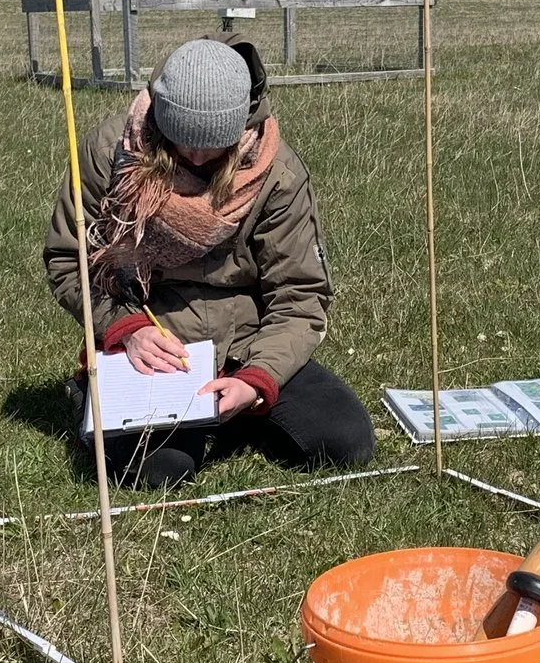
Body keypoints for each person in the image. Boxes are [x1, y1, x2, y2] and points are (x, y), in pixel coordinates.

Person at [44, 36, 378, 489]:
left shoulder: (276, 173)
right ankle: (98, 392)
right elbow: (70, 261)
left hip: (246, 342)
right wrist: (128, 330)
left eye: (213, 145)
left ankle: (230, 409)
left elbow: (300, 294)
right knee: (159, 471)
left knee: (345, 442)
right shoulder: (111, 151)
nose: (197, 157)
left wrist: (257, 379)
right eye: (183, 142)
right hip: (151, 346)